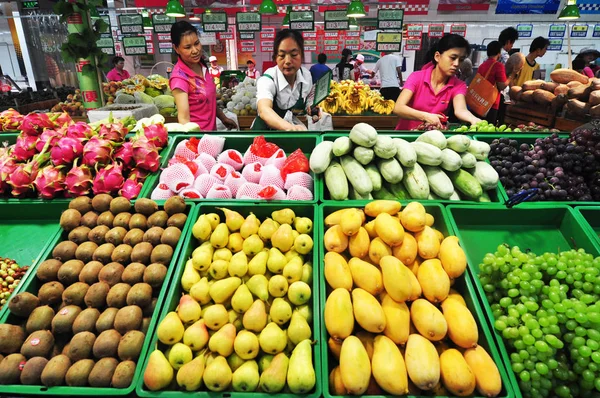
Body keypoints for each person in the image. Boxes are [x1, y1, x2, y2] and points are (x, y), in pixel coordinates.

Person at [393, 34, 481, 130]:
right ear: (437, 56)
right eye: (453, 58)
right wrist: (426, 116)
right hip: (406, 137)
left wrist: (474, 119)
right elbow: (398, 108)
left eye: (461, 60)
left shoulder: (459, 85)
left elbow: (461, 110)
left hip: (432, 138)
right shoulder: (416, 77)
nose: (456, 64)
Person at [169, 21, 236, 131]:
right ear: (176, 48)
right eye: (187, 47)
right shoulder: (180, 79)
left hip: (211, 135)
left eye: (196, 43)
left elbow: (208, 99)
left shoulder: (202, 66)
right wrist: (197, 143)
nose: (195, 50)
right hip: (198, 139)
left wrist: (223, 118)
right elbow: (184, 121)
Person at [254, 29, 318, 131]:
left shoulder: (306, 76)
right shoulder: (268, 78)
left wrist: (312, 109)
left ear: (301, 55)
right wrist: (290, 128)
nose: (288, 61)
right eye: (282, 55)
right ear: (275, 57)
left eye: (294, 55)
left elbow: (308, 101)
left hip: (290, 132)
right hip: (265, 135)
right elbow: (264, 109)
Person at [478, 41, 519, 125]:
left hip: (479, 100)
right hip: (491, 103)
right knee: (488, 128)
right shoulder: (498, 66)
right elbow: (502, 86)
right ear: (498, 53)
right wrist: (512, 75)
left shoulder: (482, 65)